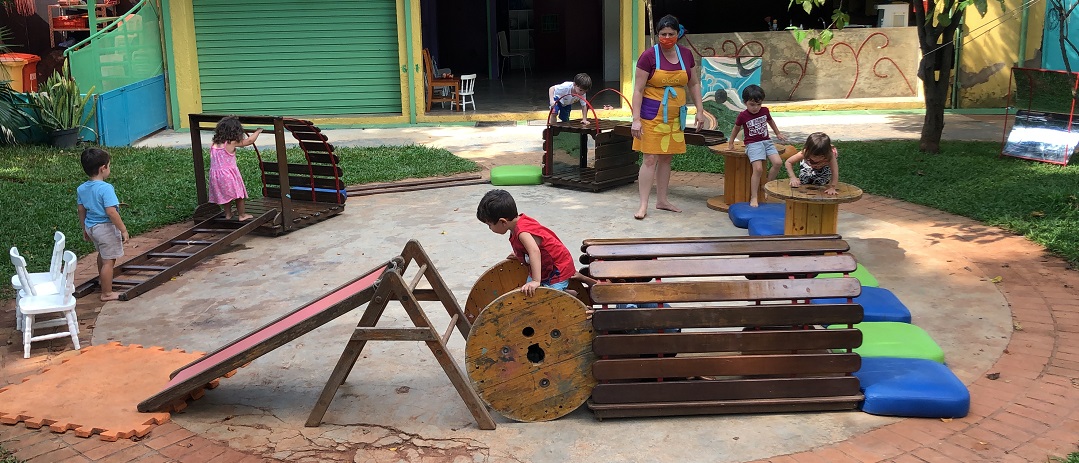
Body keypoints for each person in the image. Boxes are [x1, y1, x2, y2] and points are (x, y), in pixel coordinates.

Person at [630, 14, 705, 220]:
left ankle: (662, 200)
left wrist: (700, 110)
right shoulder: (648, 56)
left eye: (671, 34)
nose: (667, 37)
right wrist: (635, 119)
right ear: (657, 35)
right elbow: (638, 90)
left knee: (666, 158)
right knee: (650, 158)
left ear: (677, 34)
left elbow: (693, 84)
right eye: (663, 34)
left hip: (675, 116)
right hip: (651, 114)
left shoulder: (686, 55)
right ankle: (643, 204)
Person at [477, 189, 595, 296]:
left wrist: (536, 281)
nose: (490, 228)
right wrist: (520, 255)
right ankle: (566, 293)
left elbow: (534, 251)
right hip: (546, 266)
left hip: (556, 268)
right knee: (528, 292)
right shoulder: (517, 223)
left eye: (490, 225)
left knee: (546, 296)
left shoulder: (522, 232)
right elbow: (532, 248)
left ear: (503, 222)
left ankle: (565, 295)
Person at [77, 148, 130, 302]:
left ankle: (103, 281)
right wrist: (123, 230)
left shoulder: (82, 188)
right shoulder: (106, 188)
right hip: (105, 228)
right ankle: (106, 293)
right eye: (109, 165)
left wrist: (84, 229)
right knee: (109, 261)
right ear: (103, 168)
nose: (109, 168)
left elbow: (81, 209)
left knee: (102, 255)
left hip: (92, 228)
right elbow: (111, 212)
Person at [728, 84, 785, 207]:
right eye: (752, 105)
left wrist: (778, 133)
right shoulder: (743, 116)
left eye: (758, 104)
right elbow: (736, 128)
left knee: (778, 163)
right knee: (758, 169)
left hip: (767, 142)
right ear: (745, 102)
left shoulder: (764, 111)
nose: (756, 108)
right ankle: (754, 196)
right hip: (752, 144)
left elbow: (770, 121)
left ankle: (766, 185)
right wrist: (731, 142)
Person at [209, 116, 263, 221]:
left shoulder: (215, 143)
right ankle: (242, 215)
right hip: (228, 175)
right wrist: (258, 131)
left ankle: (228, 214)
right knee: (239, 195)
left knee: (225, 196)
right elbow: (249, 140)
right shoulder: (231, 143)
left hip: (215, 176)